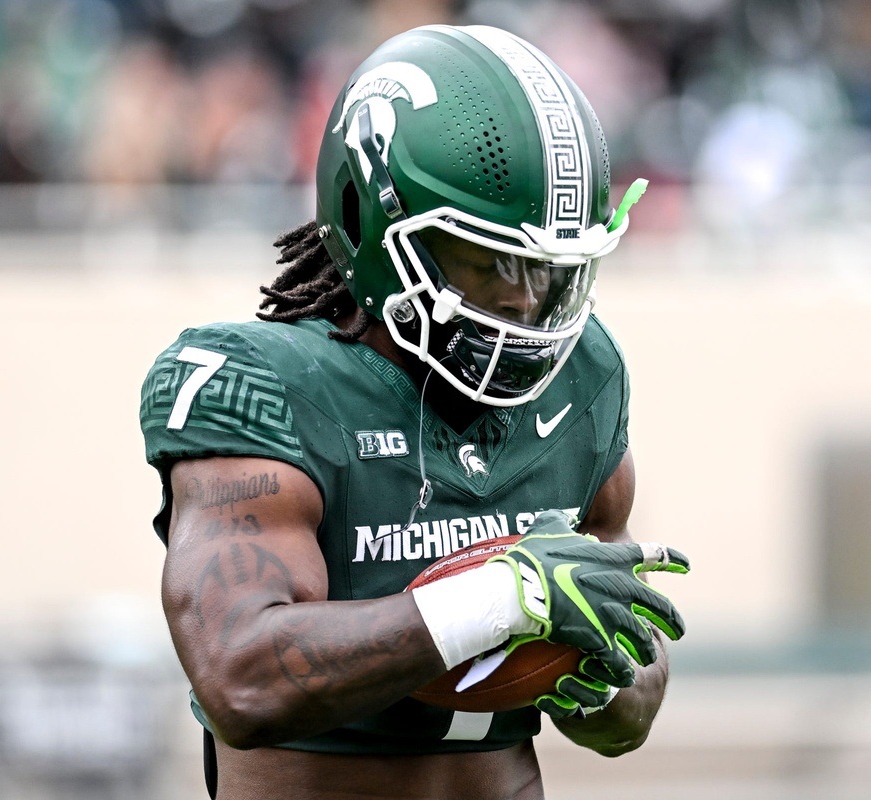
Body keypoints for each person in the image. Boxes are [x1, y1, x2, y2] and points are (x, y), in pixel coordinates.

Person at [140, 23, 689, 800]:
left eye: (549, 271)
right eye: (488, 261)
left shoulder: (582, 378)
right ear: (368, 220)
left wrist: (600, 676)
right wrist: (507, 598)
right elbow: (243, 676)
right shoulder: (262, 386)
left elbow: (630, 709)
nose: (524, 303)